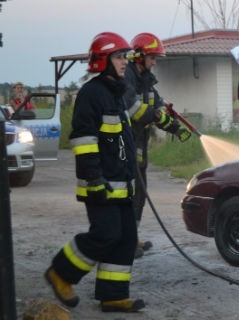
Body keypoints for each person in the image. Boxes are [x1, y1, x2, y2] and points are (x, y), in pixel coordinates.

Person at [44, 31, 145, 313]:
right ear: (103, 61)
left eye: (125, 56)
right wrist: (94, 179)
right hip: (99, 183)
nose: (125, 62)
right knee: (106, 235)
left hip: (121, 183)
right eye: (119, 56)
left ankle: (113, 295)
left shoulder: (116, 92)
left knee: (125, 238)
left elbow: (120, 140)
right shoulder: (93, 94)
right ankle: (60, 273)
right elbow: (84, 140)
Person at [123, 32, 191, 259]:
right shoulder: (127, 79)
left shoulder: (146, 80)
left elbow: (158, 106)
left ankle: (132, 238)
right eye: (152, 57)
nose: (154, 62)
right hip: (126, 144)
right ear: (139, 56)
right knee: (129, 192)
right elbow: (134, 110)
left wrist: (173, 125)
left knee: (140, 192)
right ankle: (125, 242)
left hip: (140, 142)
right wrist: (156, 115)